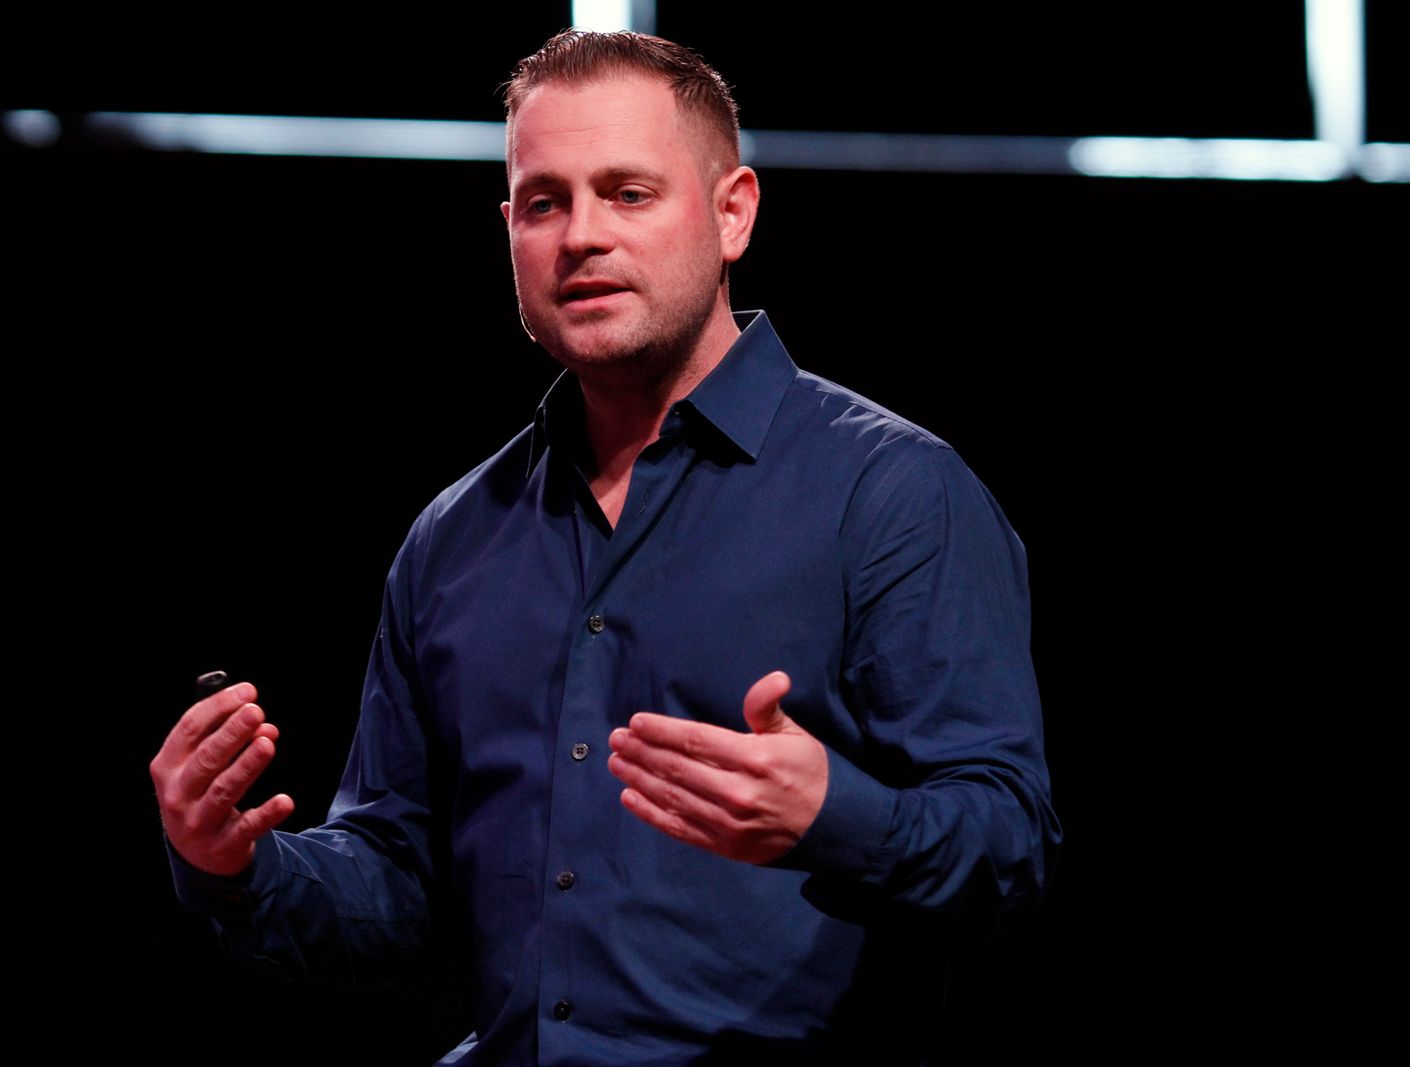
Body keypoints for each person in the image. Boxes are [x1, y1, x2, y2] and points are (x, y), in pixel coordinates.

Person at [151, 29, 1061, 1065]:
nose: (581, 236)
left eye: (628, 194)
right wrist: (235, 864)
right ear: (509, 231)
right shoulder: (456, 537)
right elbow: (399, 883)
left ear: (732, 213)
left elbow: (1007, 842)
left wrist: (831, 812)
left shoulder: (891, 493)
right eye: (544, 202)